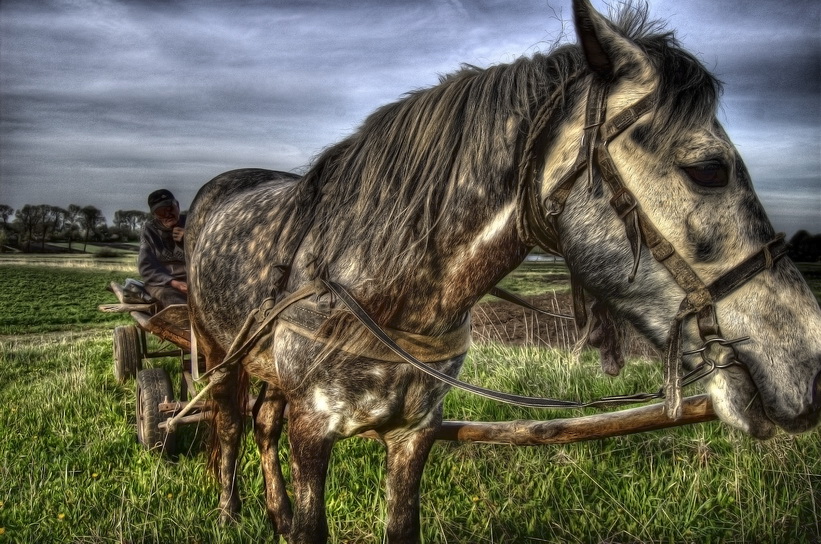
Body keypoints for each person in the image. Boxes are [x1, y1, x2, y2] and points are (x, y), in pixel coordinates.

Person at [138, 189, 188, 308]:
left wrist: (190, 238)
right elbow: (146, 268)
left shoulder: (192, 223)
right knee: (170, 297)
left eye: (170, 208)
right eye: (161, 212)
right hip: (163, 283)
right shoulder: (149, 230)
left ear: (177, 206)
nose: (167, 214)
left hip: (194, 280)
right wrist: (174, 283)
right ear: (154, 215)